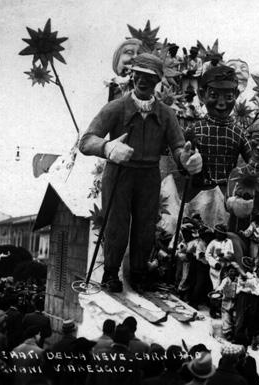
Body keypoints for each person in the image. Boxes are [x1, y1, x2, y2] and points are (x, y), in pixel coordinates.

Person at [79, 53, 203, 293]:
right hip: (119, 174)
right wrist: (107, 147)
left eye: (150, 77)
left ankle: (138, 273)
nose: (143, 81)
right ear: (131, 74)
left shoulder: (166, 113)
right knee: (116, 225)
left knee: (146, 227)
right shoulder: (116, 108)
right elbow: (86, 141)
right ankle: (110, 273)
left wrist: (185, 158)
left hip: (148, 176)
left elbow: (178, 146)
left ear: (158, 81)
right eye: (139, 75)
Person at [185, 65, 251, 228]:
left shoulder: (238, 132)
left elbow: (254, 163)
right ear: (201, 95)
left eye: (228, 97)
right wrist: (186, 161)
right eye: (214, 95)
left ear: (236, 95)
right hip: (197, 195)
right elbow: (182, 162)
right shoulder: (194, 129)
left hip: (226, 195)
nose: (221, 104)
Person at [206, 224, 235, 290]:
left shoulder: (229, 242)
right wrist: (215, 263)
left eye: (220, 233)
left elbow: (231, 254)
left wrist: (225, 257)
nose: (218, 235)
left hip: (226, 267)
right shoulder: (213, 242)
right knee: (216, 287)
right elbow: (208, 255)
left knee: (226, 285)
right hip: (216, 267)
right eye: (217, 233)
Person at [215, 265, 240, 341]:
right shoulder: (225, 280)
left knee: (235, 316)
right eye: (230, 271)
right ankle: (228, 333)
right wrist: (218, 290)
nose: (232, 273)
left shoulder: (237, 280)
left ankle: (235, 333)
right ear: (227, 272)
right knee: (226, 316)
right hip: (226, 300)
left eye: (233, 271)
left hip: (235, 301)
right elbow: (221, 286)